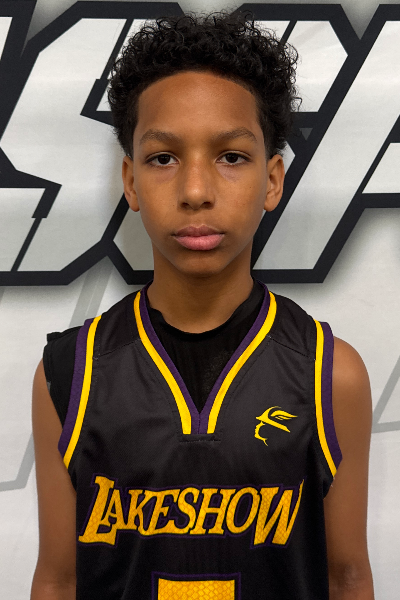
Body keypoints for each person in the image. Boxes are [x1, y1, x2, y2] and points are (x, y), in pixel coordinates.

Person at [31, 12, 374, 600]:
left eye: (230, 156)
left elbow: (346, 578)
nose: (195, 191)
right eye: (163, 158)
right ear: (131, 182)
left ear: (273, 180)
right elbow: (59, 580)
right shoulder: (69, 376)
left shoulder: (331, 374)